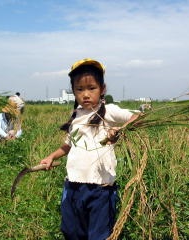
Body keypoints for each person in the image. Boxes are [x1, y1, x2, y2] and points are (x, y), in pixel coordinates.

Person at [35, 58, 139, 239]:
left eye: (92, 88)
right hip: (73, 186)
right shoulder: (76, 116)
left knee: (99, 235)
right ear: (73, 91)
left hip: (100, 188)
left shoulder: (109, 111)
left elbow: (138, 117)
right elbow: (68, 144)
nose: (85, 94)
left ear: (102, 89)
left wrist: (119, 130)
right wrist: (52, 156)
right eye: (79, 89)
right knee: (71, 231)